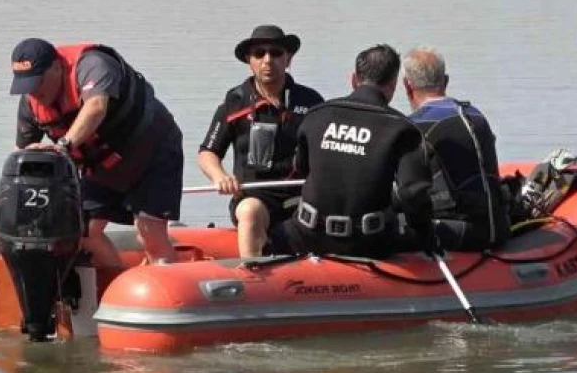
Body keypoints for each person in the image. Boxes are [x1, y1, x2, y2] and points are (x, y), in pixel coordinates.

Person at [0, 38, 184, 267]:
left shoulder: (94, 65)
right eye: (26, 85)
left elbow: (96, 107)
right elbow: (21, 161)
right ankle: (116, 286)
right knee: (84, 232)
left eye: (37, 82)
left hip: (151, 150)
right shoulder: (31, 103)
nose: (34, 92)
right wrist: (4, 215)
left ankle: (165, 279)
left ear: (56, 67)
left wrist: (64, 145)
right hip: (102, 164)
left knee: (149, 231)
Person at [269, 44, 432, 259]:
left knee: (273, 235)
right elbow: (413, 194)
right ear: (393, 85)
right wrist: (427, 236)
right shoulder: (402, 128)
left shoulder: (316, 115)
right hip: (369, 242)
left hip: (307, 234)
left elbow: (301, 168)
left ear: (354, 79)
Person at [197, 25, 324, 258]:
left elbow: (327, 153)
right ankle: (253, 274)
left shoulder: (311, 101)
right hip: (254, 196)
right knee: (249, 210)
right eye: (259, 54)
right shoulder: (234, 102)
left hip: (302, 196)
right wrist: (221, 177)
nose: (268, 60)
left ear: (288, 59)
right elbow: (208, 152)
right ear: (249, 60)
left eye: (276, 53)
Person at [402, 47, 510, 251]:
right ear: (446, 80)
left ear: (407, 86)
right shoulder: (476, 115)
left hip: (463, 232)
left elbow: (409, 191)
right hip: (500, 224)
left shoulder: (414, 126)